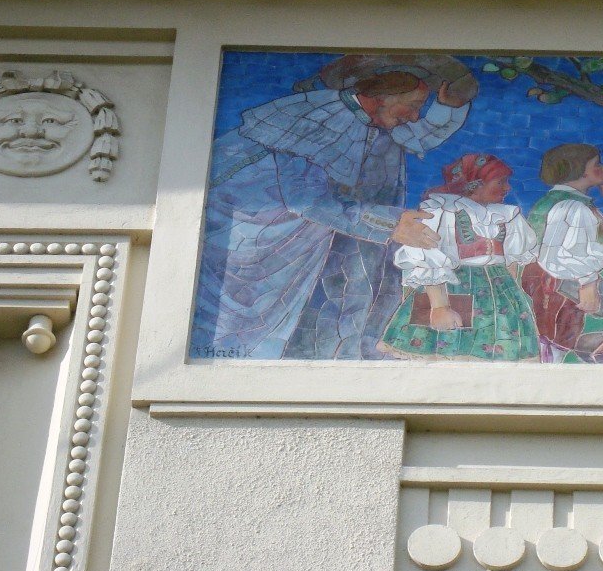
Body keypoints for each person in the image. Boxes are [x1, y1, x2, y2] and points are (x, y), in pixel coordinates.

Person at [191, 70, 471, 360]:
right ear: (379, 99)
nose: (415, 117)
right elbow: (307, 201)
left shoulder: (377, 118)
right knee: (265, 313)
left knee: (353, 288)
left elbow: (416, 136)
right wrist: (390, 224)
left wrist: (447, 108)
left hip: (334, 230)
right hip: (266, 235)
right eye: (413, 106)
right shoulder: (311, 122)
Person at [378, 153, 540, 361]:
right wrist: (439, 307)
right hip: (454, 289)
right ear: (474, 185)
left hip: (501, 296)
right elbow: (428, 260)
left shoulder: (508, 217)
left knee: (501, 352)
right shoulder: (443, 213)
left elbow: (512, 264)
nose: (507, 188)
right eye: (500, 182)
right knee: (453, 351)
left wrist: (515, 299)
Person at [521, 144, 603, 362]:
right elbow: (559, 255)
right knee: (557, 337)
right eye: (597, 165)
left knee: (549, 334)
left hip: (545, 277)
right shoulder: (574, 208)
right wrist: (588, 283)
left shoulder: (551, 201)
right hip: (561, 283)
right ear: (580, 171)